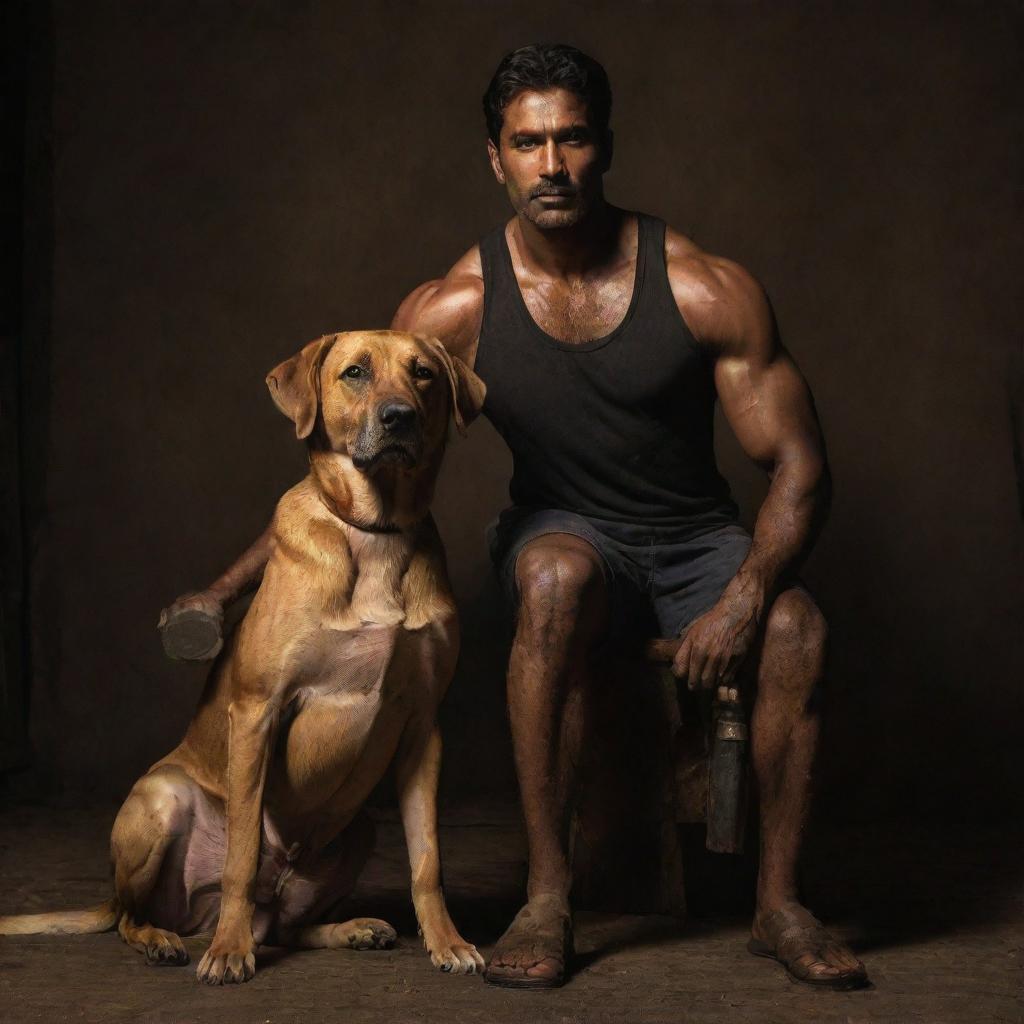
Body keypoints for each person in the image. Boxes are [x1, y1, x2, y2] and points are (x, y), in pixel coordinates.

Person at [163, 43, 867, 991]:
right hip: (566, 535)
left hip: (701, 541)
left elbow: (801, 468)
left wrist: (743, 595)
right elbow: (348, 461)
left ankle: (778, 903)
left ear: (602, 146)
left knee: (797, 628)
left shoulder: (704, 287)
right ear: (496, 158)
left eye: (571, 138)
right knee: (551, 577)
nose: (552, 164)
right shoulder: (451, 311)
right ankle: (548, 895)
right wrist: (235, 582)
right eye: (527, 143)